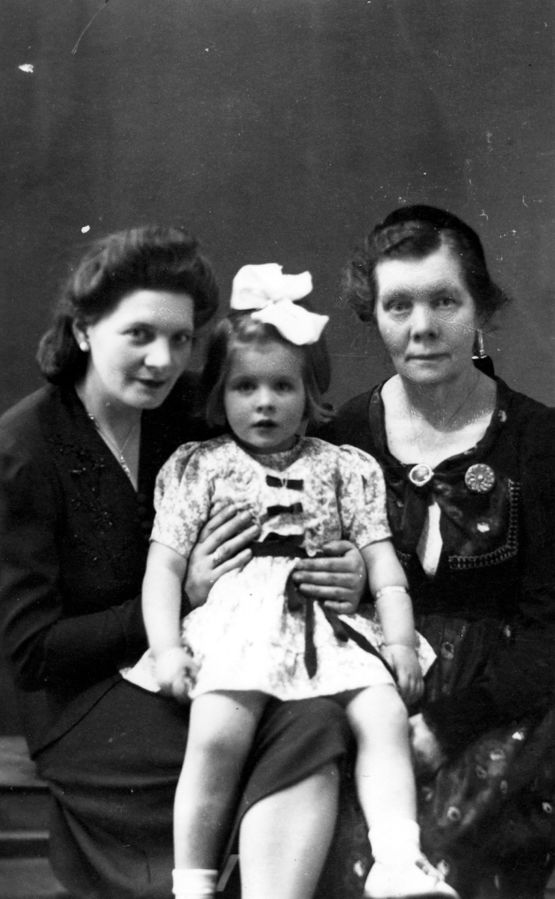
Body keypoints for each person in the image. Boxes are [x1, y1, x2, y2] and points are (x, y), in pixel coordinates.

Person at [0, 227, 365, 899]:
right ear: (83, 329)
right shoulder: (27, 448)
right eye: (139, 335)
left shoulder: (189, 409)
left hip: (209, 658)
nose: (162, 360)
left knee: (315, 716)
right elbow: (33, 654)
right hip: (87, 703)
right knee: (271, 736)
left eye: (180, 338)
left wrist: (350, 557)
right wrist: (183, 595)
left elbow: (316, 447)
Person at [126, 262, 453, 899]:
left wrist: (399, 642)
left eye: (283, 385)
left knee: (384, 713)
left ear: (310, 393)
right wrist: (165, 649)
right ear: (220, 394)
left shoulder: (343, 467)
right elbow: (163, 567)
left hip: (327, 626)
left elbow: (383, 566)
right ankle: (192, 882)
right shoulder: (201, 467)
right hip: (238, 628)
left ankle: (397, 859)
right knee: (217, 732)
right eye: (245, 386)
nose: (265, 402)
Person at [312, 205, 555, 899]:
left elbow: (550, 629)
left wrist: (448, 726)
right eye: (398, 305)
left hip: (504, 705)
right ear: (373, 314)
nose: (421, 326)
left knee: (447, 860)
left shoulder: (537, 441)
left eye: (444, 300)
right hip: (370, 699)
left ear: (480, 309)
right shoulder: (342, 437)